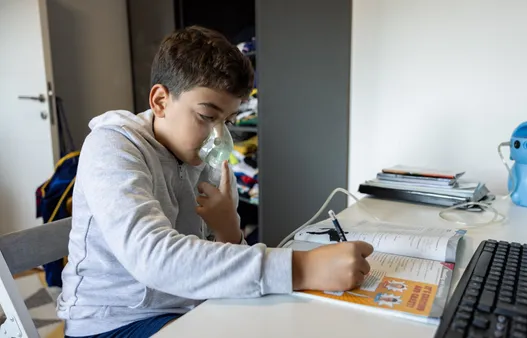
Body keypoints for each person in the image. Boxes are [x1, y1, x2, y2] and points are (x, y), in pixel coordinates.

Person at [56, 25, 374, 337]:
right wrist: (302, 267)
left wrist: (229, 229)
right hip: (115, 321)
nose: (219, 136)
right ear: (161, 101)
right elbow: (154, 259)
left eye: (228, 121)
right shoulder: (112, 146)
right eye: (207, 117)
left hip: (191, 306)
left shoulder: (208, 161)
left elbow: (222, 263)